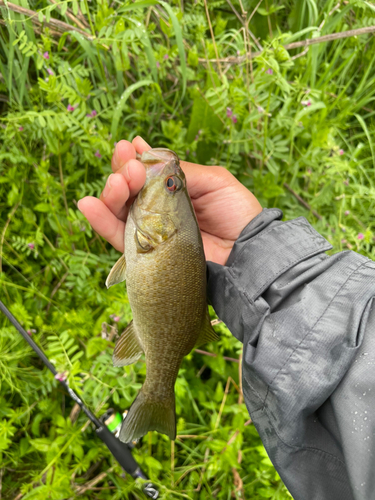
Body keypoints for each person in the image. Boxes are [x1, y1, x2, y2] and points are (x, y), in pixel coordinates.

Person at [78, 136, 375, 500]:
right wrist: (253, 242)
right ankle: (157, 394)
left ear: (166, 225)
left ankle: (157, 394)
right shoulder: (156, 232)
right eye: (173, 184)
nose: (170, 177)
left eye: (172, 184)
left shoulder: (153, 235)